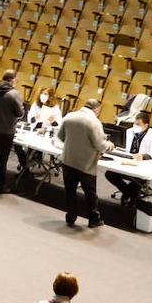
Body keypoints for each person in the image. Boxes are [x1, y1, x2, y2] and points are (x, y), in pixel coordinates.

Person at [56, 98, 113, 228]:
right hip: (86, 164)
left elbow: (60, 137)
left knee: (70, 191)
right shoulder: (94, 122)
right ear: (97, 109)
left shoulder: (70, 116)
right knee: (90, 193)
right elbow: (100, 145)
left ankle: (71, 217)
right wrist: (109, 145)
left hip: (68, 160)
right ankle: (93, 219)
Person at [105, 111, 152, 206]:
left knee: (138, 179)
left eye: (138, 124)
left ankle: (128, 196)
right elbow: (125, 148)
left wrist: (143, 156)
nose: (135, 126)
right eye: (135, 123)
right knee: (109, 174)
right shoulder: (129, 131)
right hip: (129, 162)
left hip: (143, 166)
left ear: (146, 125)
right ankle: (129, 194)